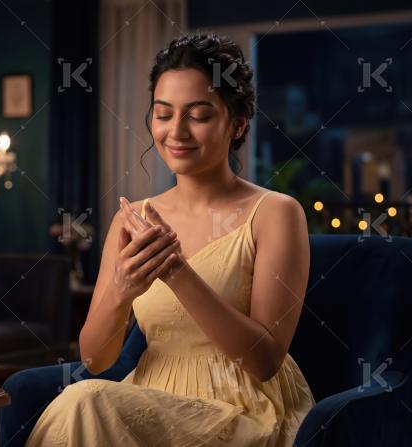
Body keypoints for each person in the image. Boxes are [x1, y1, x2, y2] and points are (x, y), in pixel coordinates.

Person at [26, 31, 315, 446]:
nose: (176, 131)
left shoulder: (275, 213)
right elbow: (94, 359)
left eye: (199, 115)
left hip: (245, 408)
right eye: (163, 114)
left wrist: (177, 270)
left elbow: (264, 360)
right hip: (151, 396)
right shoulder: (133, 219)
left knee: (84, 402)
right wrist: (120, 293)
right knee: (85, 398)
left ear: (237, 125)